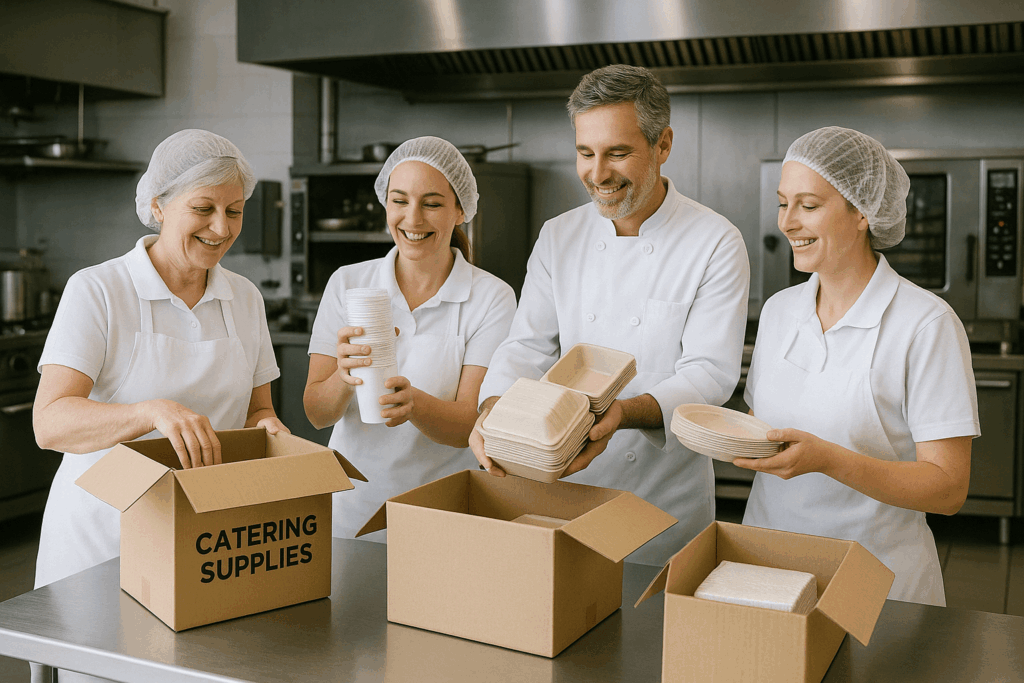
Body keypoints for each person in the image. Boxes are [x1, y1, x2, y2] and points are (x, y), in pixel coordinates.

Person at [31, 129, 287, 682]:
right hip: (101, 546)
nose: (222, 228)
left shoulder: (244, 298)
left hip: (205, 545)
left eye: (235, 211)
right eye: (203, 208)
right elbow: (50, 422)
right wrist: (151, 413)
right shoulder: (98, 290)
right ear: (156, 205)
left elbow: (256, 412)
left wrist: (275, 438)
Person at [470, 65, 750, 566]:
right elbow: (527, 347)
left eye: (617, 153)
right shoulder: (559, 236)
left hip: (663, 506)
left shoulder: (715, 241)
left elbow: (710, 374)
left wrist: (620, 412)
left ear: (662, 145)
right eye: (585, 153)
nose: (597, 174)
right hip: (563, 490)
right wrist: (492, 408)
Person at [734, 126, 978, 606]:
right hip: (768, 572)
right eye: (783, 203)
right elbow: (763, 423)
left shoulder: (925, 323)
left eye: (809, 205)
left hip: (877, 583)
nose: (787, 222)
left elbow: (948, 488)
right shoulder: (781, 311)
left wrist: (827, 460)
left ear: (862, 212)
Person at [304, 136, 517, 541]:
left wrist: (414, 402)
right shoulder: (348, 284)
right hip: (349, 514)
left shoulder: (492, 297)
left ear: (460, 211)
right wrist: (342, 378)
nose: (412, 219)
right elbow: (316, 414)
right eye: (399, 201)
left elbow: (471, 423)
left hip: (443, 515)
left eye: (432, 203)